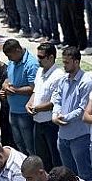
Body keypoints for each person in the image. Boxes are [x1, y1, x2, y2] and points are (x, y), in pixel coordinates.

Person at [51, 46, 92, 181]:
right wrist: (55, 114)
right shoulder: (63, 80)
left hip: (80, 136)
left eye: (67, 62)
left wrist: (64, 118)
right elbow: (57, 99)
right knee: (68, 175)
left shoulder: (86, 82)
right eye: (63, 62)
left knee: (85, 175)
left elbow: (82, 109)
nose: (64, 65)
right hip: (63, 136)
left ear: (76, 62)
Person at [27, 43, 64, 171]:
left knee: (55, 158)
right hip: (37, 121)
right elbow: (36, 92)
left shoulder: (58, 75)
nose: (38, 60)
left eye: (41, 57)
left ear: (51, 57)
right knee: (42, 158)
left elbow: (54, 102)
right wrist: (29, 103)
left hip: (50, 124)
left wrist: (36, 108)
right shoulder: (39, 71)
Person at [2, 39, 39, 156]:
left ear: (17, 50)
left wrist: (14, 91)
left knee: (30, 146)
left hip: (25, 112)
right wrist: (5, 86)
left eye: (10, 55)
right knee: (19, 143)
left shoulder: (31, 64)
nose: (9, 59)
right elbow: (8, 78)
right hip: (13, 110)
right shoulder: (13, 62)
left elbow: (33, 88)